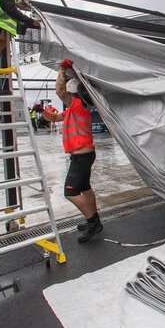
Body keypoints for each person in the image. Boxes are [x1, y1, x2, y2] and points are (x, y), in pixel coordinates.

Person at [32, 59, 102, 242]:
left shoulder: (79, 104)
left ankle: (93, 222)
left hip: (82, 155)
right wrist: (42, 111)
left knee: (70, 192)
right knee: (85, 188)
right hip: (83, 154)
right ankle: (94, 218)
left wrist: (62, 69)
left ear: (73, 94)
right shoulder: (74, 110)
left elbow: (59, 90)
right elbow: (55, 117)